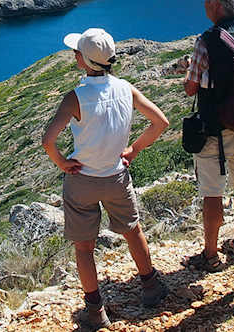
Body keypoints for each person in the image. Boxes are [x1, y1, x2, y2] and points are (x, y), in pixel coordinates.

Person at [41, 27, 171, 329]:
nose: (74, 55)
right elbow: (160, 122)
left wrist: (63, 163)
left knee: (84, 248)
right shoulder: (126, 89)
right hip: (116, 176)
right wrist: (134, 149)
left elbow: (49, 140)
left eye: (77, 53)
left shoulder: (75, 97)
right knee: (132, 230)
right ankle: (151, 287)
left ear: (84, 61)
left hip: (82, 180)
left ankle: (96, 311)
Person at [182, 0, 234, 272]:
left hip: (215, 128)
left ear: (216, 5)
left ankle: (210, 255)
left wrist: (190, 73)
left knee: (212, 193)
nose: (203, 4)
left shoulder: (207, 40)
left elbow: (191, 88)